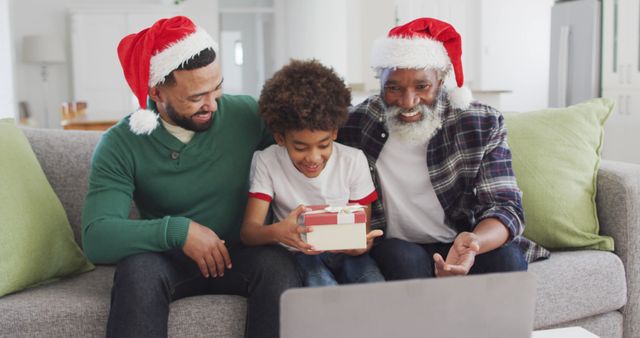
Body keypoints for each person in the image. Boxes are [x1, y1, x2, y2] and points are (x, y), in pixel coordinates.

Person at [81, 16, 301, 338]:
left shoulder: (245, 114)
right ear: (157, 92)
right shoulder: (121, 143)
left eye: (217, 87)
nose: (212, 104)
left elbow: (306, 149)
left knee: (278, 266)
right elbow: (96, 237)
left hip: (242, 255)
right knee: (137, 271)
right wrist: (178, 231)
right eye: (197, 97)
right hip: (167, 260)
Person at [338, 17, 550, 281]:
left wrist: (473, 244)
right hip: (397, 246)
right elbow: (307, 136)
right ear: (379, 83)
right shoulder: (357, 123)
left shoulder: (480, 123)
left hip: (461, 238)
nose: (408, 101)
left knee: (508, 260)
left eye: (422, 86)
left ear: (440, 80)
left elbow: (505, 206)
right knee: (403, 260)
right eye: (393, 88)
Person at [240, 59, 384, 287]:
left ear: (335, 132)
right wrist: (277, 232)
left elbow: (362, 234)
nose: (313, 158)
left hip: (346, 253)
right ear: (280, 138)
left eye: (323, 145)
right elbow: (249, 232)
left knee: (373, 284)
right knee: (321, 286)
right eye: (300, 148)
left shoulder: (353, 160)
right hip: (301, 254)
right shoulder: (267, 161)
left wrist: (361, 245)